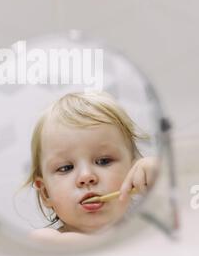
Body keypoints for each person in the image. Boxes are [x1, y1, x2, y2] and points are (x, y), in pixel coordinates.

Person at [22, 90, 158, 244]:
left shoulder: (148, 232)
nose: (86, 176)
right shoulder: (49, 242)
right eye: (66, 168)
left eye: (103, 161)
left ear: (132, 173)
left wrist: (161, 179)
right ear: (46, 193)